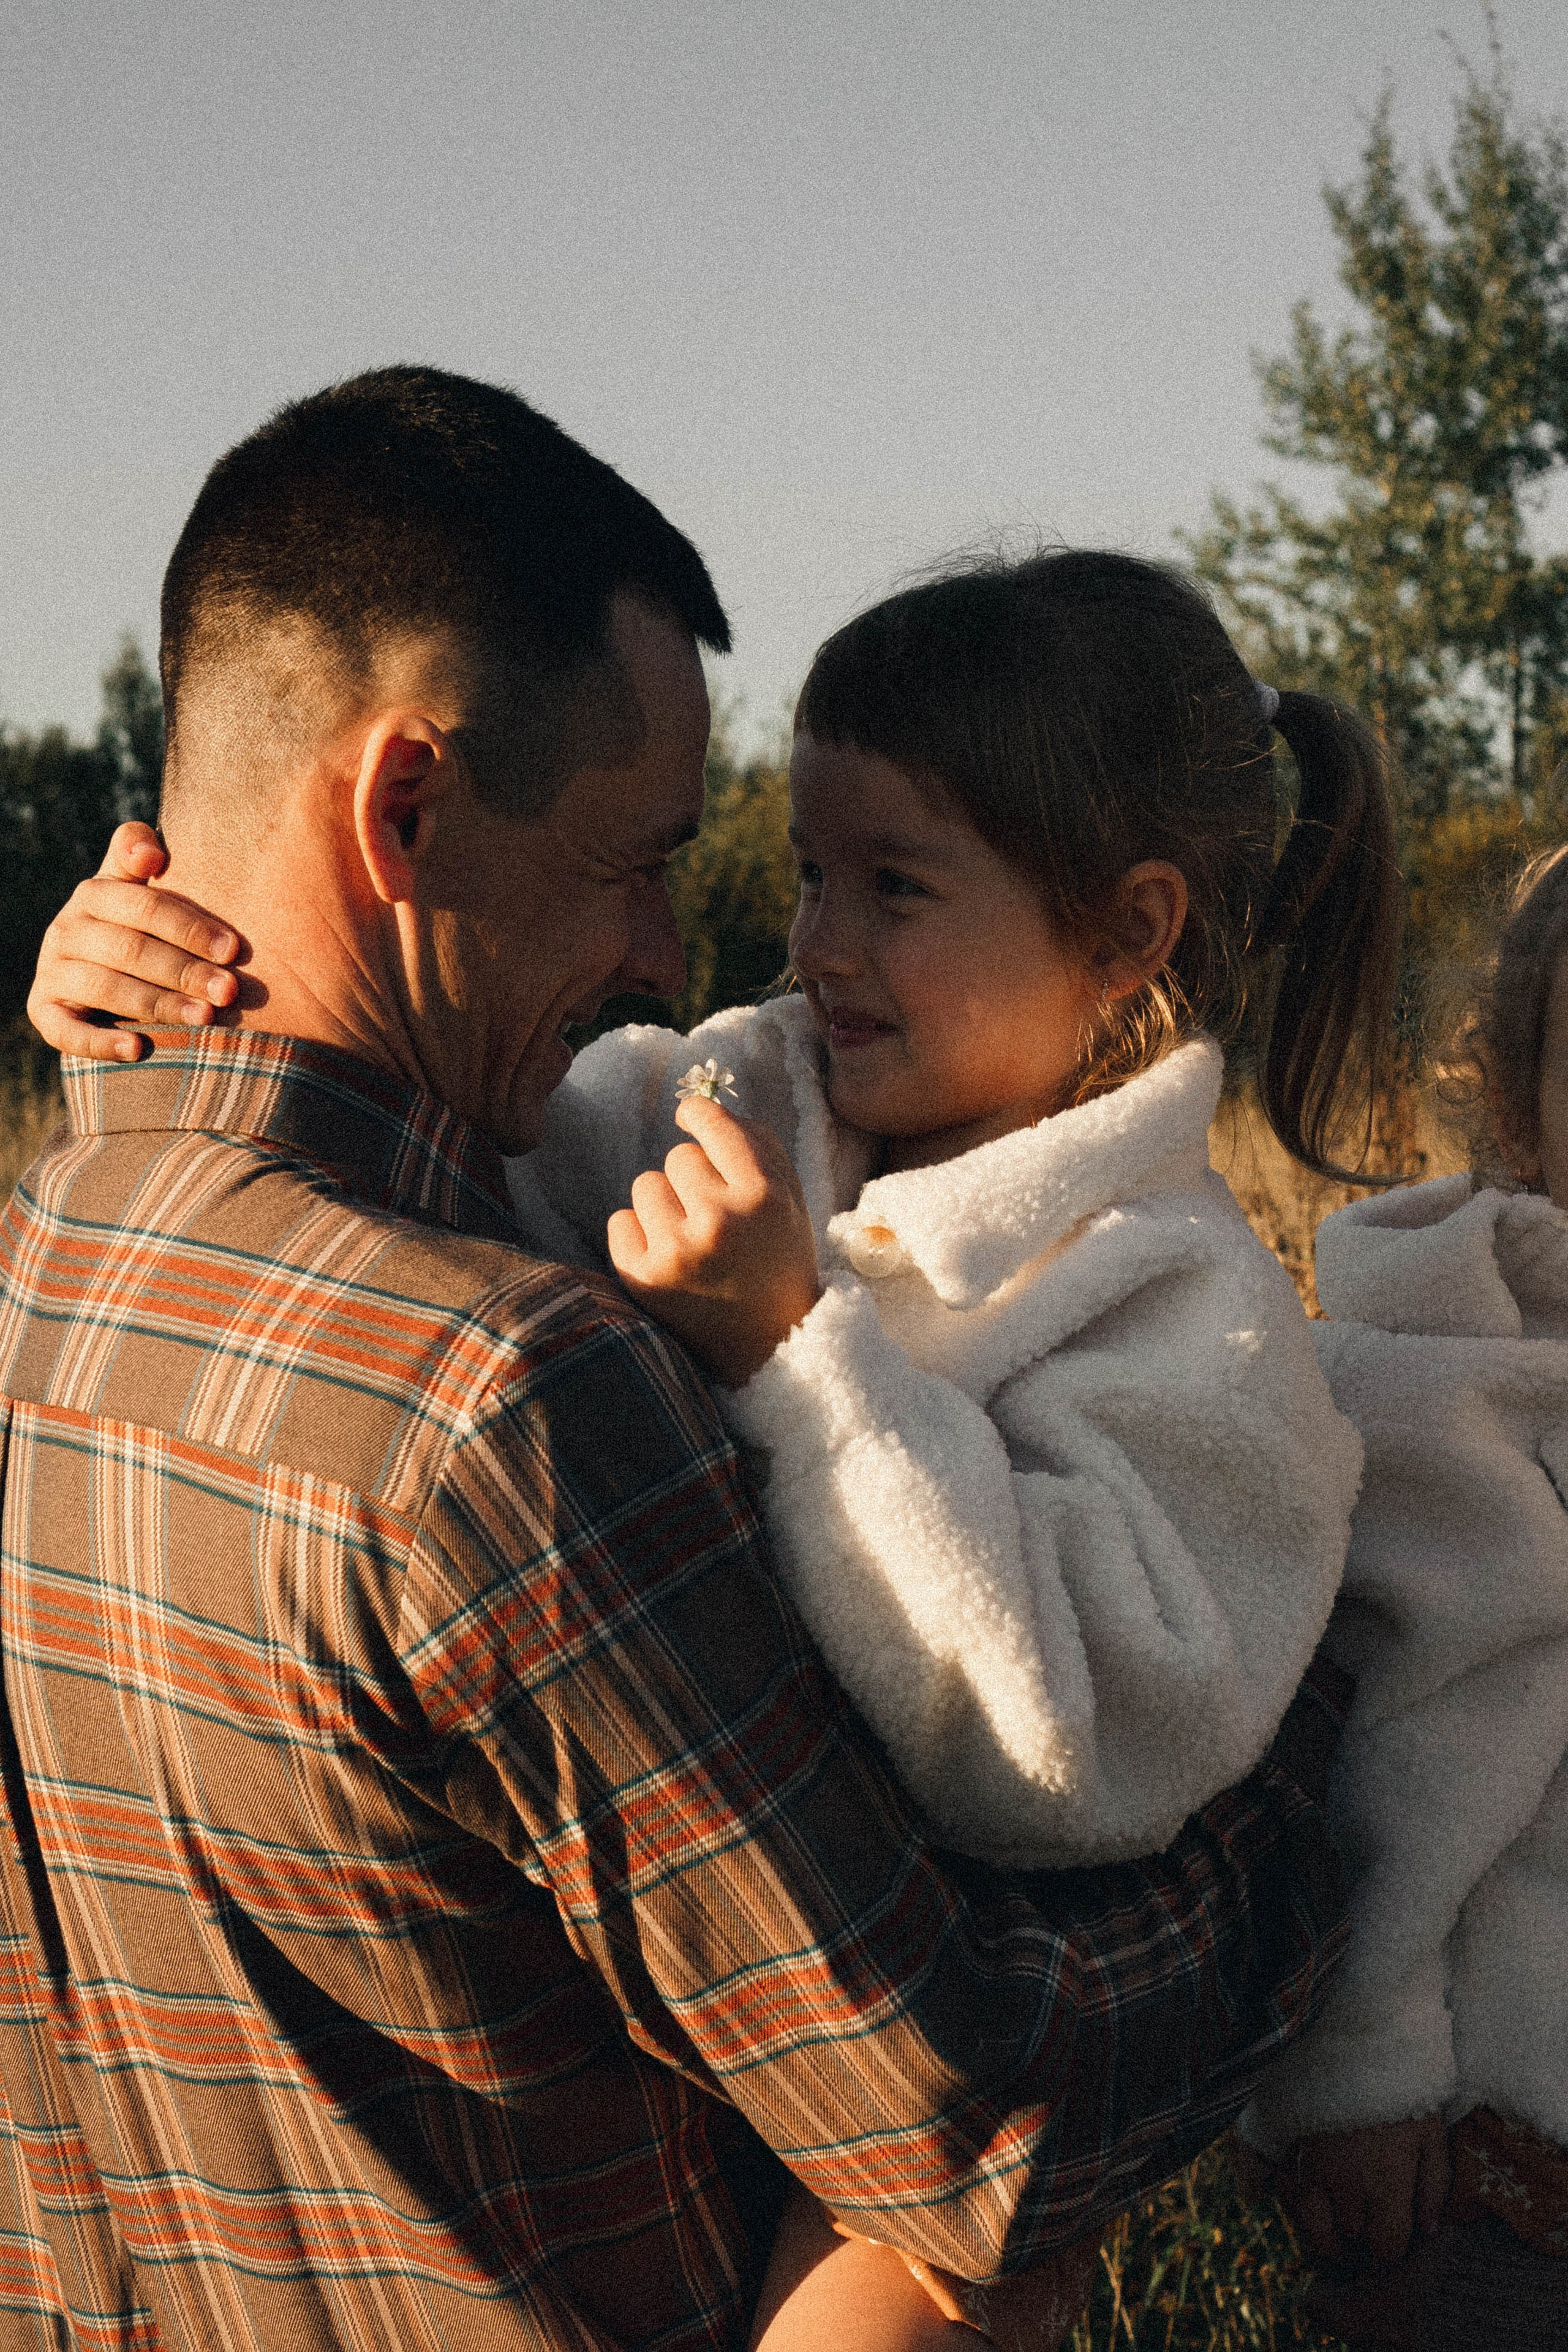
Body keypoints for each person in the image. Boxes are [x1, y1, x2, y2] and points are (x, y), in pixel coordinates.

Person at [29, 522, 1390, 2346]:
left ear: (1131, 928)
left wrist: (801, 1361)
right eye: (810, 874)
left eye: (893, 889)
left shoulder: (1190, 1319)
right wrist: (159, 998)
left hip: (911, 2082)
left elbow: (1056, 1751)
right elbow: (451, 1138)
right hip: (756, 1999)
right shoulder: (739, 1098)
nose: (810, 944)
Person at [1240, 844, 1568, 2348]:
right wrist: (1358, 2073)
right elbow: (1383, 1759)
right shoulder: (1446, 1393)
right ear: (1517, 1109)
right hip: (1492, 2164)